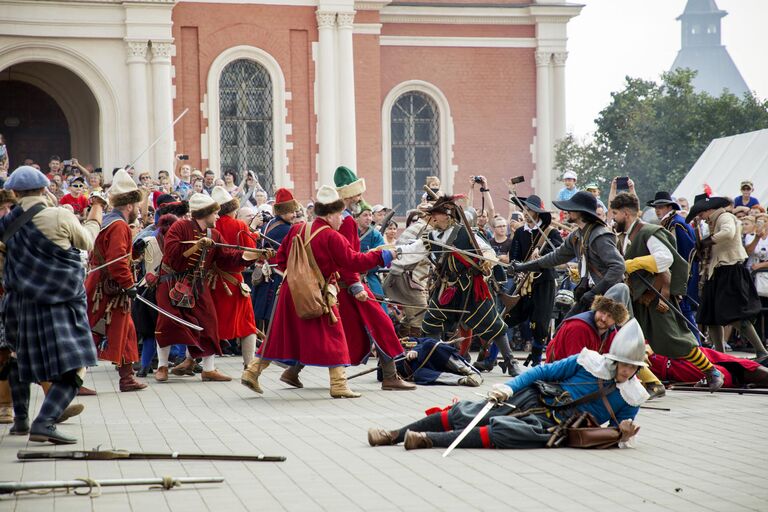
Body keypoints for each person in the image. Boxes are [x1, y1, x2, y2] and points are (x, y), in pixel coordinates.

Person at [368, 319, 648, 450]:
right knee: (465, 412)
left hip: (558, 427)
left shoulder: (632, 396)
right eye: (622, 364)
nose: (625, 371)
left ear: (638, 368)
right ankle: (393, 434)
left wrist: (623, 433)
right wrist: (510, 387)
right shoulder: (588, 362)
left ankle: (426, 441)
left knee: (504, 432)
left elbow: (619, 430)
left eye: (631, 367)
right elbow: (541, 371)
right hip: (533, 397)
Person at [240, 186, 399, 398]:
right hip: (316, 293)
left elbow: (281, 259)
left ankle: (252, 372)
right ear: (331, 214)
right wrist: (384, 256)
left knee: (278, 336)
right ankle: (339, 384)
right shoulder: (332, 237)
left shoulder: (298, 228)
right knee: (335, 335)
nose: (343, 220)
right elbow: (353, 262)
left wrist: (298, 276)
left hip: (290, 291)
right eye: (340, 215)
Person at [0, 166, 103, 444]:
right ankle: (44, 422)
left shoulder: (7, 222)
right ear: (44, 189)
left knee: (18, 360)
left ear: (16, 193)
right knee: (76, 364)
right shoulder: (59, 215)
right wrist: (96, 211)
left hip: (19, 304)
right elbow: (87, 241)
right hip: (58, 303)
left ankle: (20, 421)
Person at [397, 195, 522, 376]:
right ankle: (436, 360)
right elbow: (413, 250)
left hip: (471, 288)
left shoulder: (467, 233)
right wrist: (395, 252)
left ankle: (511, 362)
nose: (432, 218)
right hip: (446, 288)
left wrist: (489, 261)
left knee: (493, 324)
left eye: (436, 214)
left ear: (447, 215)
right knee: (431, 323)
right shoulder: (431, 236)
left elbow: (486, 251)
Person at [611, 192, 725, 391]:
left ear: (626, 214)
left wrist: (633, 264)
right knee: (628, 341)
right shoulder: (624, 235)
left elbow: (666, 259)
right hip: (634, 298)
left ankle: (712, 371)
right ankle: (650, 383)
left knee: (674, 339)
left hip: (653, 297)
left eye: (615, 213)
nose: (613, 218)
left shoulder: (648, 232)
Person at [154, 193, 265, 382]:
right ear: (205, 214)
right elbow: (172, 254)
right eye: (215, 213)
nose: (218, 217)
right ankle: (162, 366)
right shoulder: (180, 227)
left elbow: (227, 257)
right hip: (172, 281)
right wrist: (197, 246)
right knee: (167, 323)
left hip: (198, 283)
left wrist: (252, 255)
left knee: (208, 323)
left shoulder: (214, 234)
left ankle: (208, 369)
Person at [332, 166, 415, 390]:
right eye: (357, 194)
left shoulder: (338, 218)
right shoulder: (347, 221)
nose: (360, 198)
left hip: (341, 283)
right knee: (382, 323)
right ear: (347, 195)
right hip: (349, 283)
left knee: (328, 330)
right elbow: (348, 258)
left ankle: (294, 370)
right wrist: (355, 283)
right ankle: (389, 377)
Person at [513, 191, 625, 318]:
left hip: (608, 299)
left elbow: (618, 267)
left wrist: (595, 292)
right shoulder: (576, 236)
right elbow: (555, 257)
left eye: (571, 208)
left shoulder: (599, 235)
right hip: (590, 296)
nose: (567, 211)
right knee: (563, 330)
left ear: (580, 212)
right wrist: (523, 266)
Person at [85, 170, 146, 392]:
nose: (138, 210)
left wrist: (135, 254)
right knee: (91, 331)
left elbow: (118, 256)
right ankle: (72, 379)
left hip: (107, 286)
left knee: (127, 330)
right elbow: (117, 261)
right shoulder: (119, 225)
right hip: (107, 288)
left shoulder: (108, 222)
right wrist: (129, 284)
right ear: (129, 206)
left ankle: (127, 378)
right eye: (137, 206)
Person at [689, 195, 768, 361]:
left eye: (700, 214)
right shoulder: (711, 222)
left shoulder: (725, 216)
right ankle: (720, 355)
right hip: (716, 272)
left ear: (708, 210)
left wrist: (706, 241)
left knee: (736, 315)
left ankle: (761, 351)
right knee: (709, 315)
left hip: (730, 270)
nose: (700, 217)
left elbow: (728, 232)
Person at [504, 195, 564, 365]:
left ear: (536, 212)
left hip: (543, 282)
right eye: (525, 209)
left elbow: (558, 254)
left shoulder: (550, 232)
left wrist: (542, 255)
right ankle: (491, 358)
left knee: (540, 322)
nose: (526, 212)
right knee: (507, 316)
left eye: (529, 209)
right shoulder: (520, 233)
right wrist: (517, 269)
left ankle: (537, 360)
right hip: (522, 282)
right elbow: (513, 258)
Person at [209, 186, 260, 370]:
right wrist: (253, 236)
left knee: (208, 323)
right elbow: (250, 253)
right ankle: (249, 364)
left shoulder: (209, 225)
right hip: (233, 280)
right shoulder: (239, 226)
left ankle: (196, 361)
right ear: (232, 208)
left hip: (210, 281)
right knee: (247, 325)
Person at [648, 191, 699, 340]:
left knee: (684, 311)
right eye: (656, 206)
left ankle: (698, 347)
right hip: (676, 275)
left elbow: (685, 254)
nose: (657, 209)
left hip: (681, 276)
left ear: (669, 207)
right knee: (680, 311)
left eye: (661, 206)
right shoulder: (670, 222)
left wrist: (680, 279)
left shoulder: (676, 224)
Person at [546, 294, 628, 362]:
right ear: (597, 309)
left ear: (616, 320)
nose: (604, 318)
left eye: (610, 316)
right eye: (602, 312)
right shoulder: (578, 328)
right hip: (561, 375)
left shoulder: (611, 331)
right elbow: (575, 364)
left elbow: (615, 359)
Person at [382, 337, 483, 387]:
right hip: (418, 369)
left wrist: (415, 350)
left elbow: (428, 340)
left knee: (430, 344)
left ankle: (471, 371)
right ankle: (464, 380)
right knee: (419, 376)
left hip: (432, 357)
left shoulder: (405, 340)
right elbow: (381, 375)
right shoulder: (384, 358)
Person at [356, 203, 387, 309]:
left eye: (370, 215)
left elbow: (381, 255)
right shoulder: (349, 231)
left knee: (380, 308)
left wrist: (364, 270)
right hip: (350, 276)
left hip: (369, 275)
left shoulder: (375, 234)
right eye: (365, 215)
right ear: (357, 217)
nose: (368, 218)